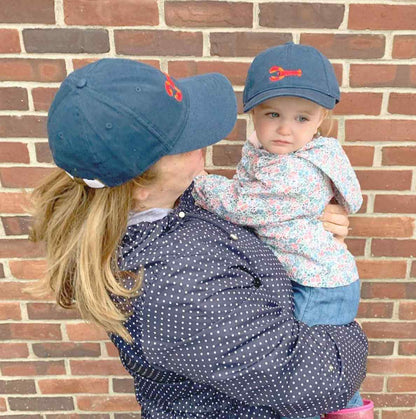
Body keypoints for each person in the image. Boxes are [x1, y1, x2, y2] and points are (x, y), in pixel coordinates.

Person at [30, 58, 368, 418]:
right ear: (139, 188)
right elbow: (307, 378)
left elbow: (233, 212)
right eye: (189, 144)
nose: (207, 143)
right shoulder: (176, 287)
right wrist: (350, 334)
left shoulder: (173, 201)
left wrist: (303, 220)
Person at [192, 43, 367, 417]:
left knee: (303, 373)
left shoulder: (296, 172)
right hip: (312, 277)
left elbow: (242, 204)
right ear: (254, 115)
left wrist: (199, 181)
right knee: (318, 367)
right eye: (273, 114)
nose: (286, 129)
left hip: (318, 286)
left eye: (302, 118)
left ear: (320, 120)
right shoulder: (272, 153)